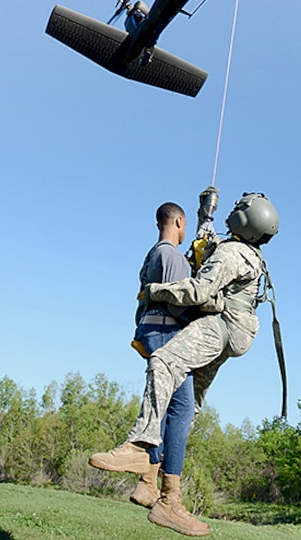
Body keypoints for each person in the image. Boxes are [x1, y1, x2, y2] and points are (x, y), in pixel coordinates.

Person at [89, 192, 279, 537]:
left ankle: (141, 446)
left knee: (165, 360)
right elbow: (209, 243)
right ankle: (158, 491)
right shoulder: (247, 252)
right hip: (236, 332)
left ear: (244, 221)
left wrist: (156, 291)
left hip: (221, 326)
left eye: (238, 210)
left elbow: (199, 291)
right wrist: (206, 213)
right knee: (188, 406)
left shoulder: (233, 254)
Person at [91, 201, 196, 512]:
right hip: (167, 333)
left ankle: (147, 482)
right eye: (185, 225)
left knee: (167, 405)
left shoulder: (152, 255)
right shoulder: (171, 255)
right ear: (179, 221)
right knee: (182, 407)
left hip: (150, 329)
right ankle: (163, 487)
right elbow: (179, 304)